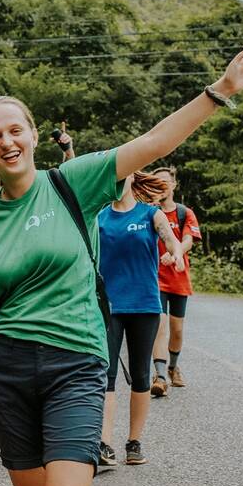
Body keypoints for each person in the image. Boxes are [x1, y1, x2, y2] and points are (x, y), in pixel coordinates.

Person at [0, 39, 243, 486]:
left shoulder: (72, 181)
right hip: (9, 371)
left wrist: (220, 91)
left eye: (15, 130)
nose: (7, 142)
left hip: (76, 362)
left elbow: (154, 142)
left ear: (34, 135)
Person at [97, 172, 184, 468]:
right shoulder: (100, 218)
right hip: (109, 307)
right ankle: (104, 444)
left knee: (140, 375)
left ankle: (134, 443)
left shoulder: (150, 214)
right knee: (106, 375)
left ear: (132, 179)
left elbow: (171, 240)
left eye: (121, 176)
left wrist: (176, 255)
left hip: (144, 305)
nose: (116, 181)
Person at [149, 166, 202, 396]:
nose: (161, 186)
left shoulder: (184, 213)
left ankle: (172, 367)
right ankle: (160, 375)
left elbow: (189, 240)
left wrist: (175, 253)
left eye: (165, 182)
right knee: (159, 325)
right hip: (155, 278)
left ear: (173, 185)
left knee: (177, 329)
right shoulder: (149, 212)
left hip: (179, 278)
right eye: (156, 182)